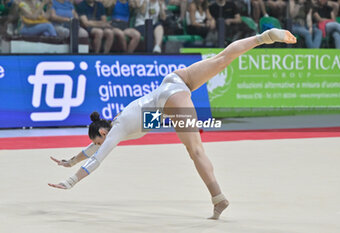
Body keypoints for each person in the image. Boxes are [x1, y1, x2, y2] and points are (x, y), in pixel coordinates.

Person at [48, 28, 297, 220]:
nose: (99, 144)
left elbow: (97, 157)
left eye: (98, 139)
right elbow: (93, 150)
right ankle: (263, 37)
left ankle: (218, 198)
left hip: (168, 101)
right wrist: (70, 161)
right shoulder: (118, 122)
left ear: (102, 132)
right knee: (221, 59)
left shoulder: (119, 129)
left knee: (196, 151)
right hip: (173, 82)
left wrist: (69, 181)